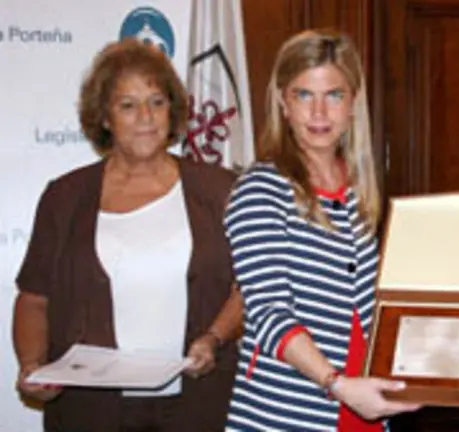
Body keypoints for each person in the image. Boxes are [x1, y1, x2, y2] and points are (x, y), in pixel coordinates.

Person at [13, 39, 242, 431]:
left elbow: (250, 287)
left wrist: (215, 338)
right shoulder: (64, 197)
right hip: (91, 413)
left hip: (199, 408)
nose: (146, 118)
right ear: (104, 117)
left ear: (173, 109)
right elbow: (34, 299)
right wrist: (32, 366)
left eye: (156, 102)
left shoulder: (221, 190)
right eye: (128, 105)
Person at [224, 29, 420, 431]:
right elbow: (268, 311)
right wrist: (338, 385)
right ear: (282, 101)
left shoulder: (358, 190)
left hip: (367, 409)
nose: (318, 113)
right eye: (303, 95)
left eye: (333, 95)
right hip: (292, 412)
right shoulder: (262, 189)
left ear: (353, 105)